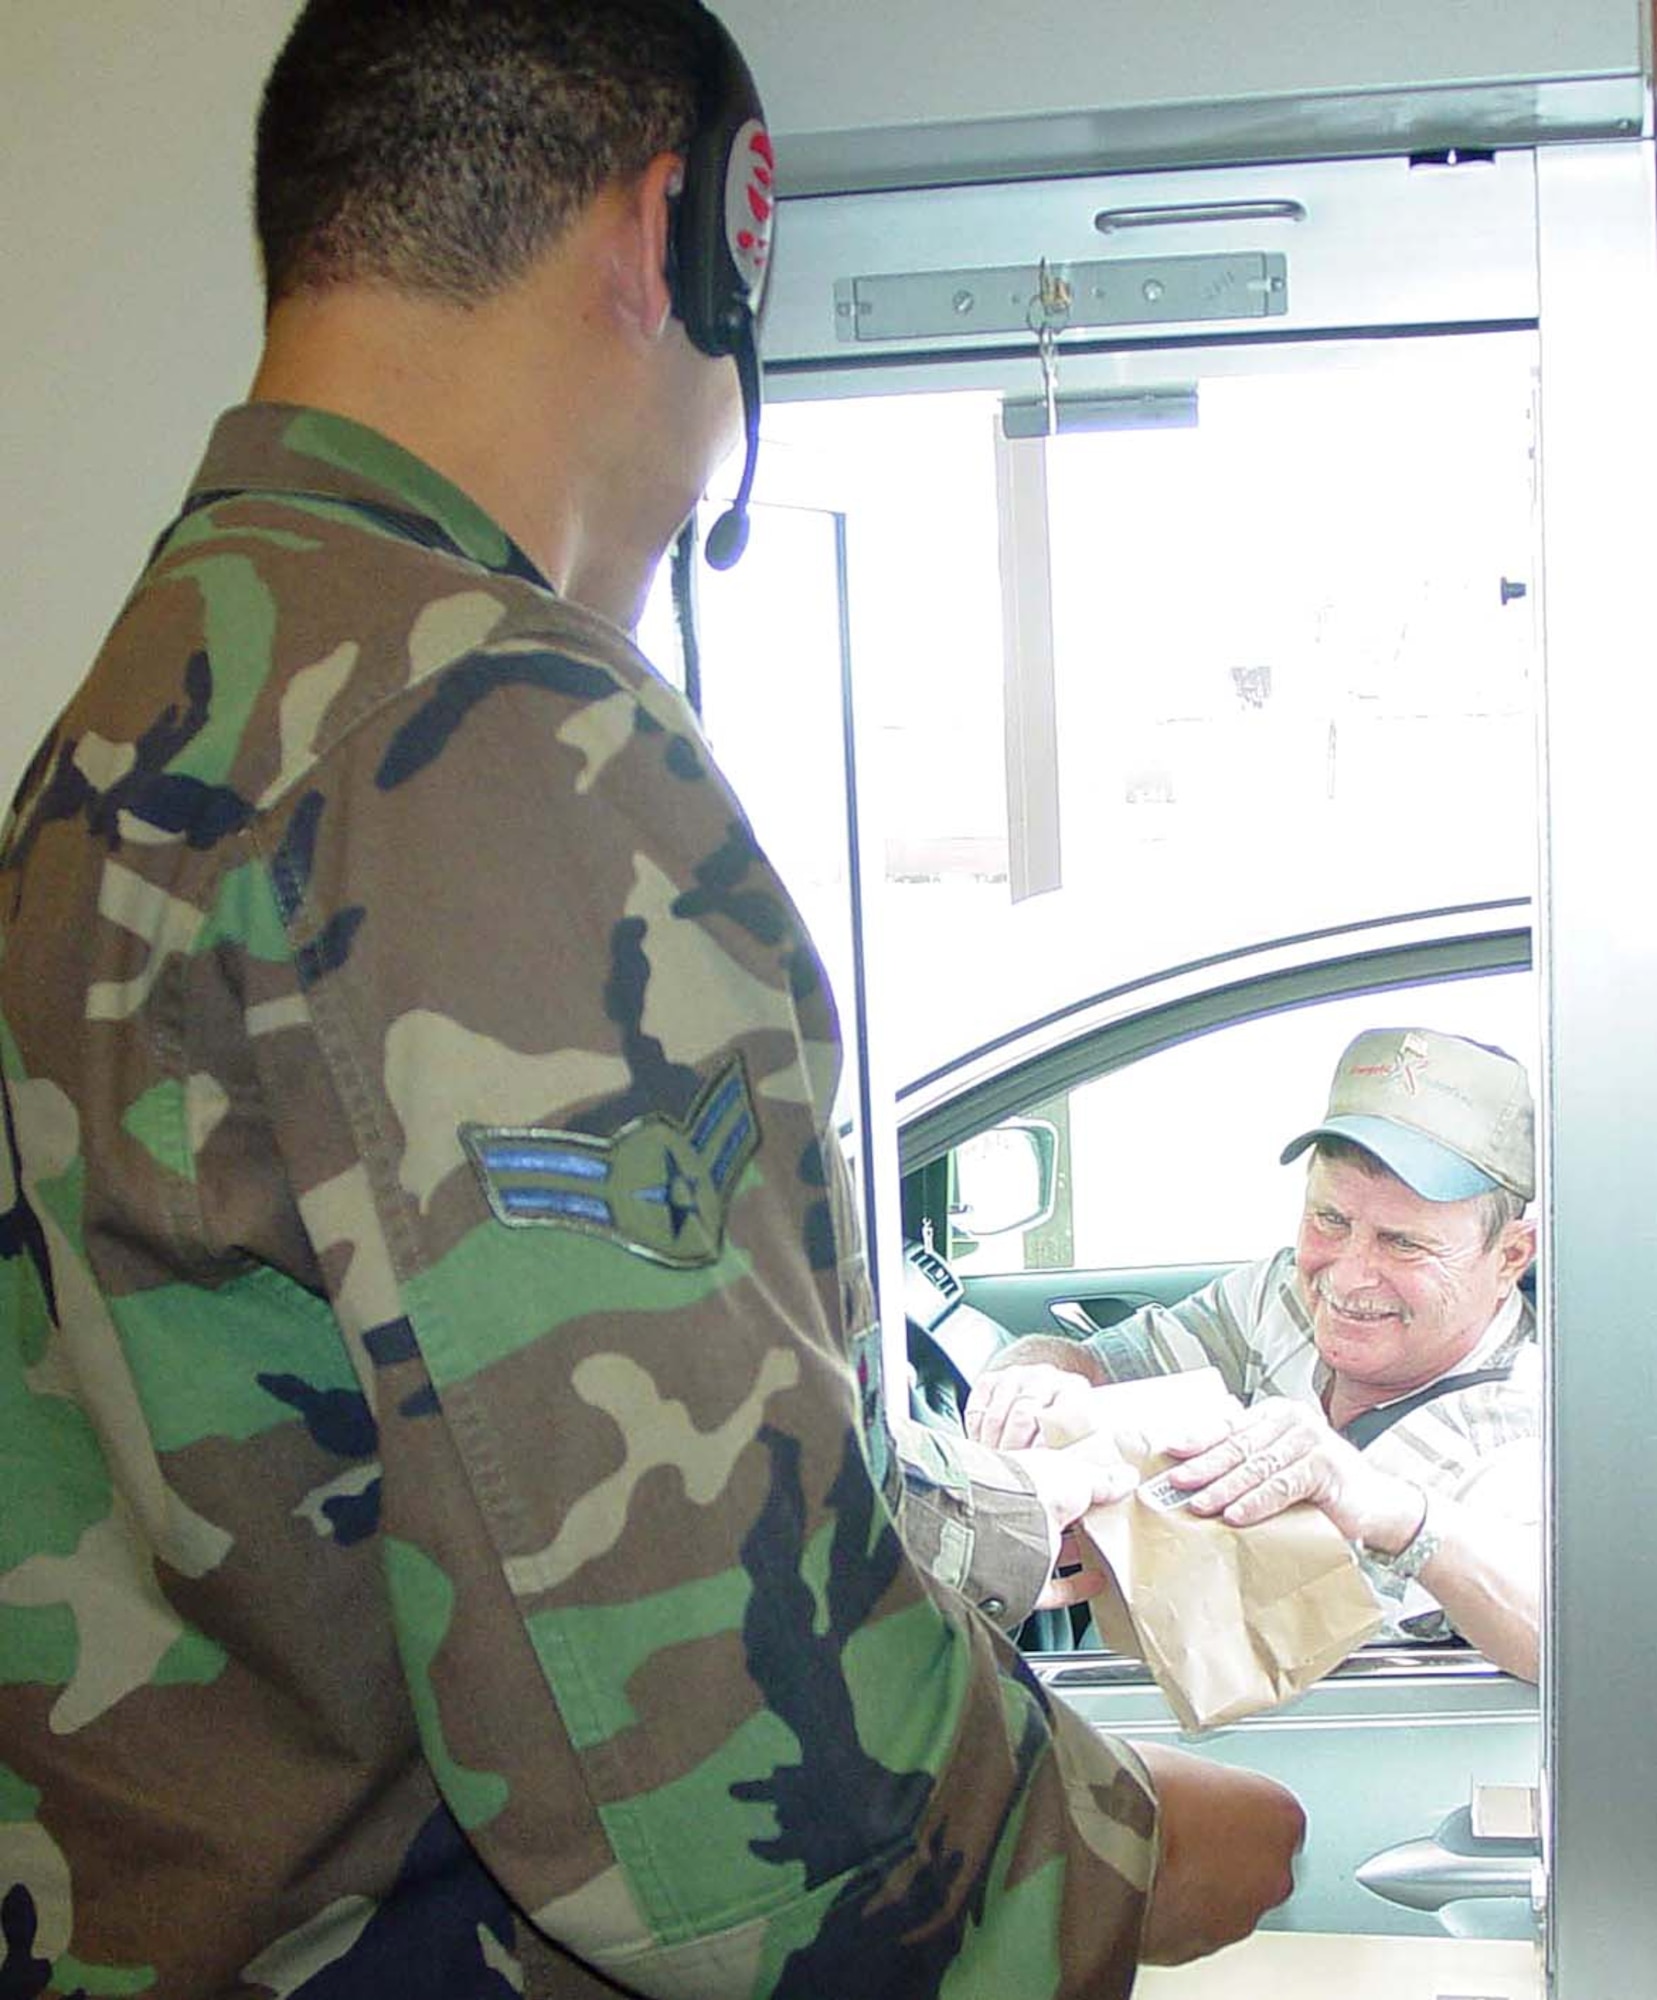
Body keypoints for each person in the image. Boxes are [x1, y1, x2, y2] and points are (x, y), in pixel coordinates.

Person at [0, 3, 1305, 1994]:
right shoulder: (477, 728)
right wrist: (1144, 1855)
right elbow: (735, 1813)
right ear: (684, 230)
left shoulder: (170, 693)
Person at [967, 1026, 1541, 1682]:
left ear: (1509, 1256)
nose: (1347, 1276)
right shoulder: (1280, 1296)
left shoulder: (1528, 1425)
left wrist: (1387, 1510)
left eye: (1401, 1243)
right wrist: (1032, 1378)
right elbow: (1098, 1364)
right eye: (1329, 1220)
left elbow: (1575, 1647)